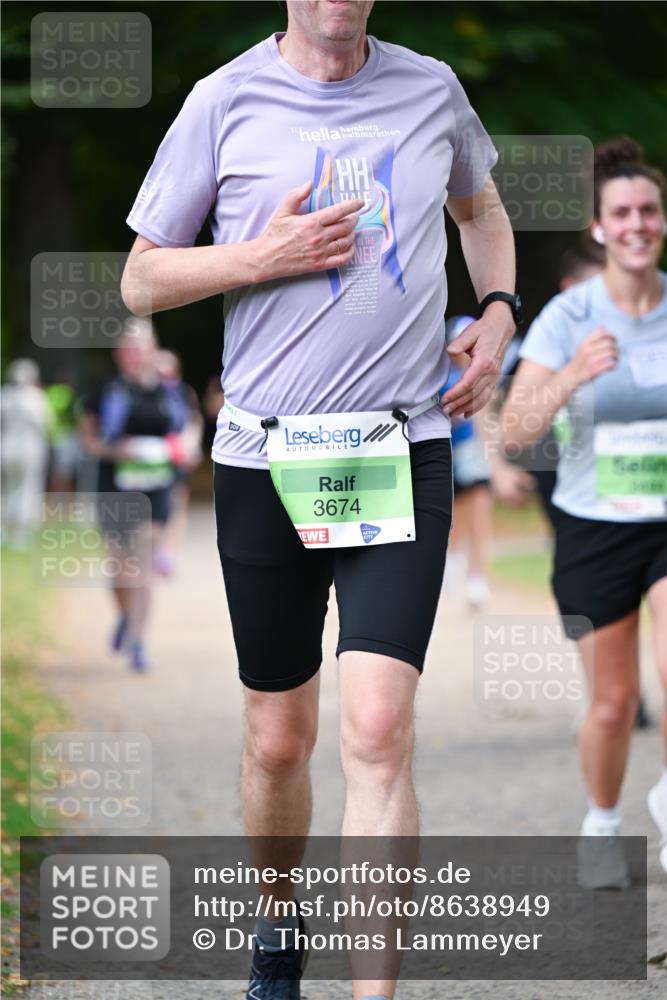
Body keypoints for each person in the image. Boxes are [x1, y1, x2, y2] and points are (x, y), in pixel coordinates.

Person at [121, 3, 517, 996]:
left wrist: (501, 312)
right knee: (277, 736)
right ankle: (276, 926)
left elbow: (482, 209)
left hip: (403, 446)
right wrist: (262, 255)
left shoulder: (431, 89)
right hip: (266, 460)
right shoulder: (224, 100)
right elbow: (139, 279)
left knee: (378, 727)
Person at [502, 138, 667, 884]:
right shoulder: (568, 316)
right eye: (621, 212)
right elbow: (512, 431)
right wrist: (571, 373)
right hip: (593, 522)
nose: (637, 223)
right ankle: (602, 821)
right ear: (598, 227)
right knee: (612, 701)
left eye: (648, 210)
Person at [79, 319, 188, 670]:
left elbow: (189, 429)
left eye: (142, 345)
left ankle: (139, 641)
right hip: (115, 486)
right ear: (118, 354)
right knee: (120, 569)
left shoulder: (170, 392)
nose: (136, 352)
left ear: (153, 349)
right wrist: (117, 451)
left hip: (156, 486)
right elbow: (89, 439)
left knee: (141, 563)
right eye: (129, 346)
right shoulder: (105, 391)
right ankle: (126, 616)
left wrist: (182, 449)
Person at [153, 349, 204, 575]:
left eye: (168, 372)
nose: (164, 377)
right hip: (154, 459)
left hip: (179, 458)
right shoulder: (148, 393)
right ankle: (153, 547)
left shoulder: (185, 393)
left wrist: (191, 448)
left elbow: (194, 421)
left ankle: (167, 551)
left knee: (177, 504)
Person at [0, 358, 51, 550]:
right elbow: (45, 422)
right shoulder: (35, 397)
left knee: (7, 489)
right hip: (27, 448)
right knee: (25, 489)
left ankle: (7, 529)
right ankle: (18, 531)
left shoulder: (5, 395)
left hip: (7, 447)